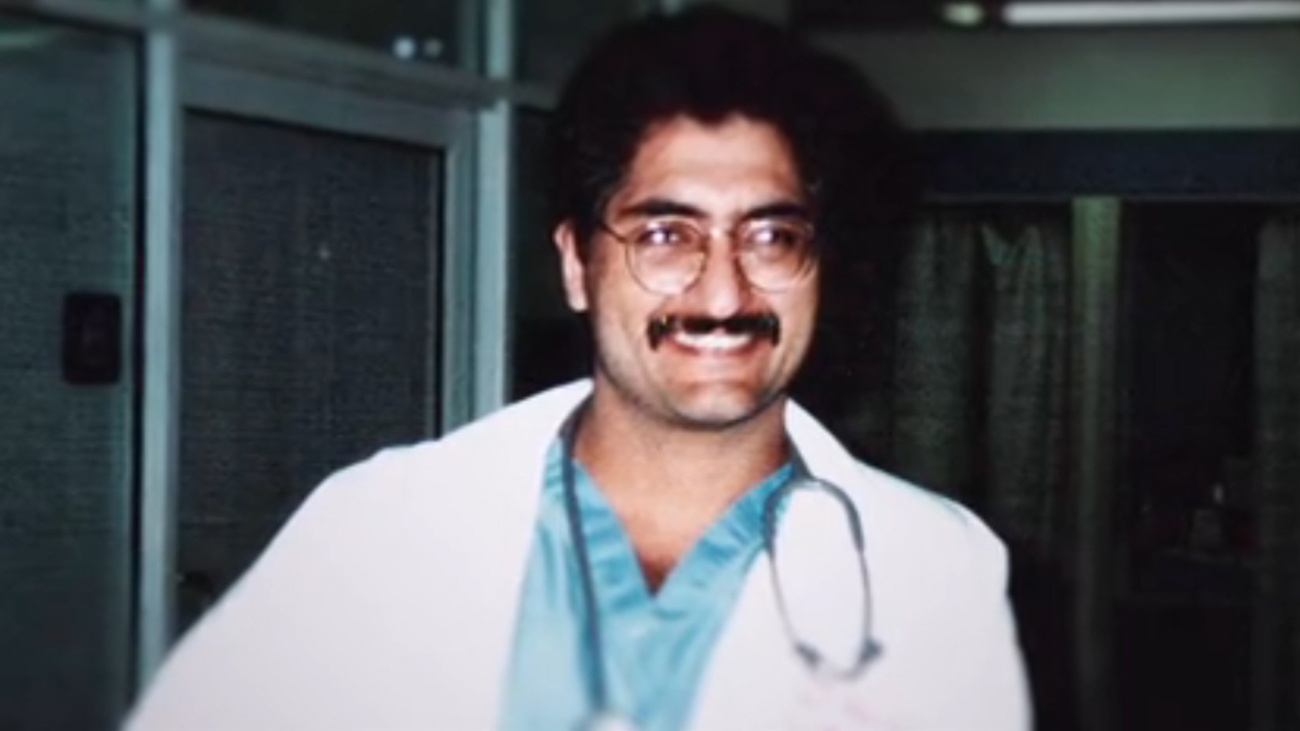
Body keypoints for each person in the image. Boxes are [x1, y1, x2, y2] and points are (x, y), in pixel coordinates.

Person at [127, 7, 1031, 730]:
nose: (723, 292)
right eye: (665, 235)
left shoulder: (934, 569)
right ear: (575, 264)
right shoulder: (378, 524)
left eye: (770, 236)